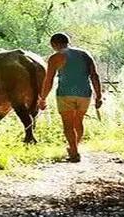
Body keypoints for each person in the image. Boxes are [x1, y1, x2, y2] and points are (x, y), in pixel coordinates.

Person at [38, 33, 103, 162]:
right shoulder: (85, 54)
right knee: (78, 121)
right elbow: (94, 76)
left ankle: (74, 152)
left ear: (53, 44)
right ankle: (74, 147)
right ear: (68, 42)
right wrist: (99, 96)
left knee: (68, 124)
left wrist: (43, 98)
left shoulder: (55, 57)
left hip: (65, 94)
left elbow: (49, 80)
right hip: (84, 93)